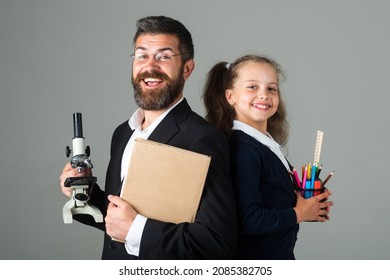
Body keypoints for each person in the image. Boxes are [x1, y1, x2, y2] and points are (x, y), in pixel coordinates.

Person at [59, 15, 237, 260]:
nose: (150, 66)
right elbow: (120, 220)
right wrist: (84, 195)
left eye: (164, 56)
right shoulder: (123, 133)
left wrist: (136, 229)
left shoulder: (202, 140)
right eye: (142, 55)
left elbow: (217, 243)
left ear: (187, 68)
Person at [202, 54, 334, 260]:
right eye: (252, 87)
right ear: (230, 97)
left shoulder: (263, 143)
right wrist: (299, 213)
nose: (264, 95)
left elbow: (271, 197)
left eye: (271, 88)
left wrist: (308, 201)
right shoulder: (243, 150)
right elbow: (247, 219)